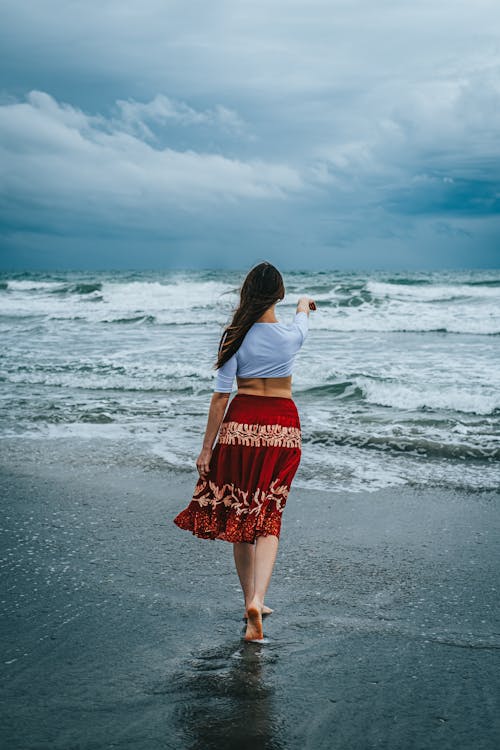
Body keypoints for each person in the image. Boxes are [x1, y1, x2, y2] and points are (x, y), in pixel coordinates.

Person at [173, 261, 315, 642]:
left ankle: (247, 600)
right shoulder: (290, 336)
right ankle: (258, 599)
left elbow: (221, 396)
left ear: (247, 293)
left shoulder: (233, 335)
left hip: (240, 425)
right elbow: (302, 318)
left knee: (240, 512)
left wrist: (207, 449)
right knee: (269, 513)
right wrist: (304, 303)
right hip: (283, 427)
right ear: (279, 295)